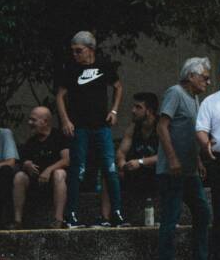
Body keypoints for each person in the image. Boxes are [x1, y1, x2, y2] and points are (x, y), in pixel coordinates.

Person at [55, 31, 125, 228]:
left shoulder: (104, 65)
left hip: (101, 126)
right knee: (78, 170)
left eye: (79, 51)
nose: (75, 55)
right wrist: (65, 120)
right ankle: (71, 216)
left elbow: (118, 87)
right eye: (73, 51)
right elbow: (60, 95)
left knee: (110, 169)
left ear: (90, 50)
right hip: (80, 128)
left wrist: (114, 110)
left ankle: (117, 214)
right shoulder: (70, 69)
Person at [157, 57, 212, 260]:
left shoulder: (195, 99)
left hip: (189, 170)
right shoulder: (175, 93)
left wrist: (198, 160)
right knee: (171, 214)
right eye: (205, 78)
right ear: (191, 76)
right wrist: (172, 158)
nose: (207, 83)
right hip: (172, 170)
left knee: (202, 211)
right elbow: (162, 127)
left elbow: (190, 133)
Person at [12, 106, 69, 228]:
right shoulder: (31, 142)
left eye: (33, 120)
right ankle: (18, 221)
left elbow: (67, 160)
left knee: (60, 173)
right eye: (29, 120)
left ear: (45, 122)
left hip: (54, 182)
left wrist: (49, 170)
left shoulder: (59, 136)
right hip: (35, 181)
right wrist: (26, 164)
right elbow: (22, 161)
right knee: (19, 176)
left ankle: (58, 220)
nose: (29, 123)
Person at [115, 93, 160, 222]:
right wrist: (122, 164)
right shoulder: (134, 126)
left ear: (149, 111)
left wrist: (141, 162)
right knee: (110, 173)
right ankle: (109, 217)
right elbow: (121, 152)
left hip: (156, 173)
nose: (133, 110)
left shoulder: (160, 126)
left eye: (138, 107)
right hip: (136, 172)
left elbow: (167, 156)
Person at [196, 60, 220, 260]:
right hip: (219, 159)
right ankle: (219, 258)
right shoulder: (211, 102)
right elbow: (201, 129)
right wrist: (206, 145)